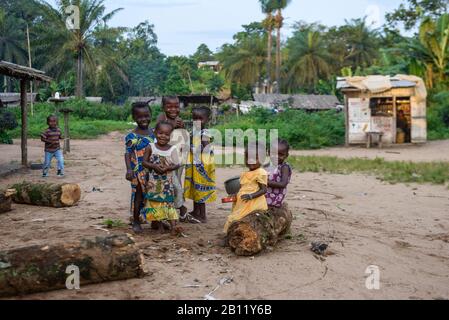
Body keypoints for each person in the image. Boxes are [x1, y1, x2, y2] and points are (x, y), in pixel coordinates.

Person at [141, 121, 180, 235]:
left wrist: (168, 168)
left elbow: (177, 164)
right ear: (155, 132)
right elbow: (144, 162)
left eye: (166, 134)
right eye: (160, 133)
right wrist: (153, 166)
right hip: (153, 182)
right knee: (154, 203)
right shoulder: (151, 146)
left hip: (167, 182)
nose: (163, 136)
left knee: (168, 203)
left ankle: (174, 227)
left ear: (170, 136)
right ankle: (160, 226)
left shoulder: (172, 149)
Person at [125, 102, 156, 233]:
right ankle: (136, 221)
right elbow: (128, 153)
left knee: (154, 195)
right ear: (134, 118)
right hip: (138, 171)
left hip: (153, 171)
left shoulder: (154, 133)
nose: (144, 119)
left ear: (151, 115)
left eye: (146, 116)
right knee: (138, 196)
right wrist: (129, 169)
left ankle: (155, 220)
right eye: (140, 117)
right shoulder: (132, 136)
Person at [157, 96, 189, 221]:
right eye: (169, 107)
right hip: (166, 159)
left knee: (177, 182)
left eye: (176, 106)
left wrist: (183, 127)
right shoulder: (162, 118)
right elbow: (159, 130)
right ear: (163, 107)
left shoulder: (179, 119)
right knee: (172, 184)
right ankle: (180, 208)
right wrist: (171, 125)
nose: (173, 109)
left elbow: (183, 136)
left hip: (179, 159)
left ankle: (176, 209)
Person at [224, 142, 268, 233]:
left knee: (239, 219)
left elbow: (263, 190)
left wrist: (251, 196)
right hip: (242, 202)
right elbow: (242, 189)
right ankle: (229, 236)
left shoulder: (260, 173)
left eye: (255, 158)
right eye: (248, 158)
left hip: (253, 203)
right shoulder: (244, 174)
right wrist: (234, 196)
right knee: (233, 218)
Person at [184, 106, 216, 223]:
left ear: (207, 120)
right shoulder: (195, 132)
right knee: (195, 188)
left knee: (200, 191)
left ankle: (202, 215)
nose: (197, 121)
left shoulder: (204, 133)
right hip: (195, 166)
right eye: (194, 119)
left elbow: (205, 149)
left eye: (200, 119)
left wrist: (191, 148)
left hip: (202, 167)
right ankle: (195, 211)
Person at [265, 139, 292, 208]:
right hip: (265, 193)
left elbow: (283, 184)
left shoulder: (284, 167)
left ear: (286, 155)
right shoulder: (267, 165)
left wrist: (265, 182)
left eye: (281, 154)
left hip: (274, 198)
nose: (276, 157)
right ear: (268, 152)